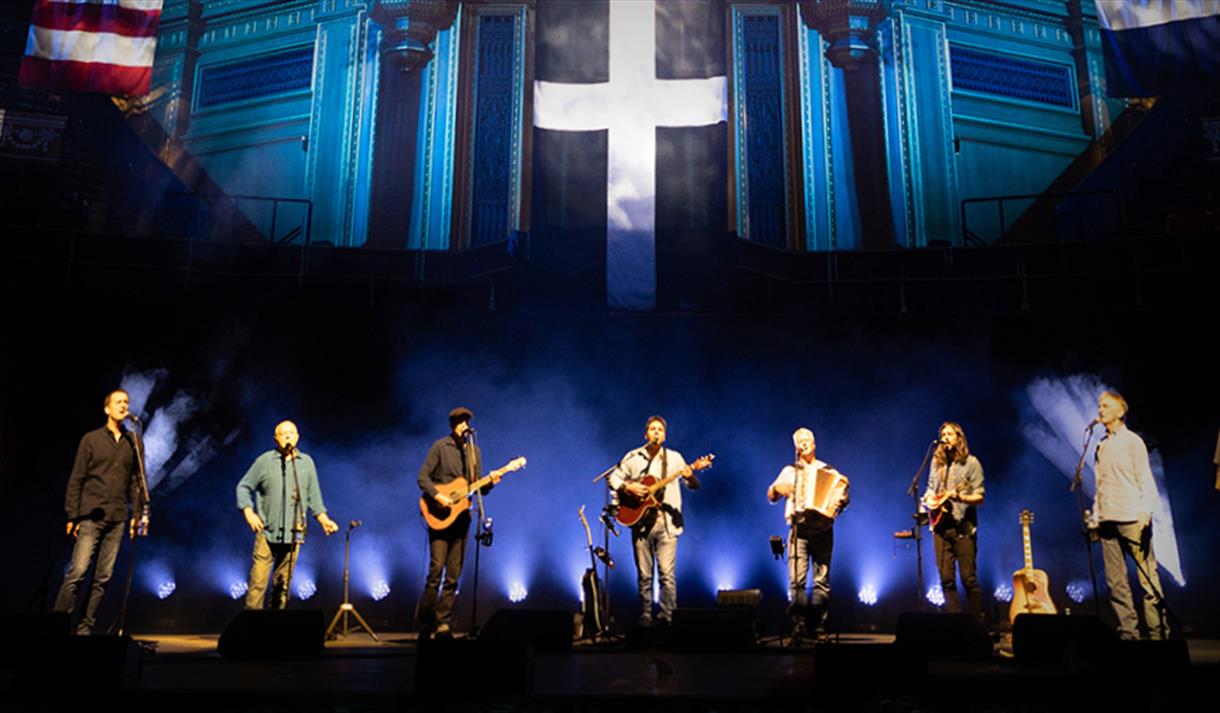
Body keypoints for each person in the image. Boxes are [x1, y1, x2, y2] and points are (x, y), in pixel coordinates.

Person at [53, 389, 143, 634]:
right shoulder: (91, 439)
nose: (124, 405)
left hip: (117, 518)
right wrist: (73, 515)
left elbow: (137, 482)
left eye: (127, 401)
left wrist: (138, 515)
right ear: (107, 409)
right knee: (78, 572)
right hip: (91, 516)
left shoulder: (133, 441)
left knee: (102, 578)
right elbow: (77, 478)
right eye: (118, 402)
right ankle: (56, 628)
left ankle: (85, 629)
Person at [609, 415, 701, 627]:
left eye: (660, 429)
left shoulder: (675, 458)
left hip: (666, 524)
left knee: (667, 575)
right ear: (646, 434)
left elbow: (694, 485)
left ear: (665, 435)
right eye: (653, 429)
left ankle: (668, 619)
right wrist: (628, 487)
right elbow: (613, 478)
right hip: (640, 524)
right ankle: (646, 617)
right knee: (644, 575)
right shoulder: (634, 457)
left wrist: (690, 476)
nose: (657, 432)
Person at [236, 420, 338, 609]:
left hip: (294, 532)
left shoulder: (306, 463)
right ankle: (250, 630)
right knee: (258, 583)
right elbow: (243, 486)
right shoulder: (265, 461)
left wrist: (324, 519)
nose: (288, 436)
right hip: (267, 531)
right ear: (276, 439)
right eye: (283, 433)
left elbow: (313, 496)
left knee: (282, 585)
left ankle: (276, 630)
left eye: (291, 432)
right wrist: (248, 512)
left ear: (298, 436)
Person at [417, 407, 499, 637]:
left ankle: (443, 622)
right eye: (461, 422)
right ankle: (425, 623)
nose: (465, 425)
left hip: (463, 519)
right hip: (439, 517)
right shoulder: (440, 447)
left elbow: (479, 487)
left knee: (453, 574)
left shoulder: (474, 451)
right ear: (453, 425)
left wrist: (491, 481)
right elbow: (422, 477)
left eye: (467, 421)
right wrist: (437, 495)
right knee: (435, 572)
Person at [1091, 390, 1167, 640]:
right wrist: (1095, 517)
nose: (1100, 409)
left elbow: (1145, 478)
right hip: (1108, 521)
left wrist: (1146, 512)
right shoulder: (1101, 445)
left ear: (1120, 412)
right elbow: (1100, 485)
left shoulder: (1133, 441)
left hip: (1133, 517)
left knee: (1148, 579)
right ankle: (1129, 634)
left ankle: (1158, 635)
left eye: (1105, 405)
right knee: (1116, 583)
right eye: (1099, 405)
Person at [766, 427, 848, 641]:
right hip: (799, 531)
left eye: (807, 440)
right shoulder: (789, 471)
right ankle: (799, 627)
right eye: (800, 441)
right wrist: (777, 489)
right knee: (797, 582)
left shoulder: (829, 471)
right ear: (796, 447)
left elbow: (842, 497)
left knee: (821, 581)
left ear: (814, 444)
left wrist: (842, 501)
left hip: (823, 531)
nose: (804, 443)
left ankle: (818, 626)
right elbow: (771, 494)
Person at [922, 421, 985, 622]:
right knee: (946, 580)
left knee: (968, 579)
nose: (946, 437)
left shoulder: (972, 463)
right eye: (943, 434)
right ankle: (955, 624)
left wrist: (960, 497)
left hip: (963, 529)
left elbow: (980, 496)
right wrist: (928, 501)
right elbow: (930, 488)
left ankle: (978, 625)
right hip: (940, 528)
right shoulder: (937, 463)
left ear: (959, 437)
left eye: (950, 434)